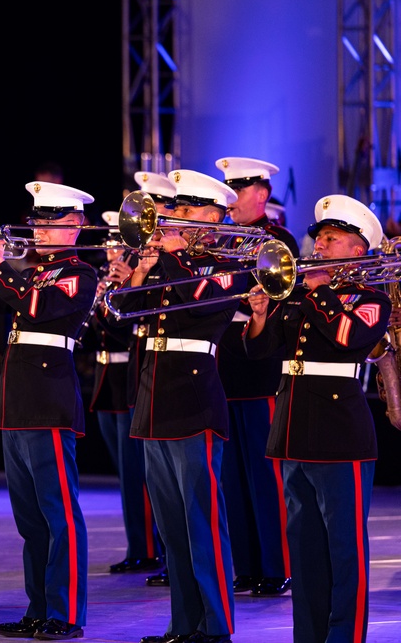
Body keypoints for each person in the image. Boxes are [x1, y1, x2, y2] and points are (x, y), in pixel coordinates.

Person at [245, 194, 389, 643]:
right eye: (320, 238)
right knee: (304, 550)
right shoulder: (300, 292)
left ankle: (346, 637)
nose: (320, 246)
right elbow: (261, 351)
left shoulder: (370, 298)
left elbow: (348, 338)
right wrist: (260, 314)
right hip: (293, 429)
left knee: (344, 549)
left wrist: (322, 291)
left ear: (358, 249)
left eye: (332, 238)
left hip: (339, 432)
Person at [0, 181, 97, 641]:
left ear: (76, 225)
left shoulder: (80, 272)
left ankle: (65, 613)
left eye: (50, 222)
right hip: (17, 400)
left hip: (49, 399)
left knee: (58, 513)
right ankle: (38, 607)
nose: (38, 230)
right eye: (37, 221)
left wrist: (0, 264)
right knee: (30, 518)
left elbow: (37, 307)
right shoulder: (28, 268)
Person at [112, 168, 243, 643]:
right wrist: (139, 272)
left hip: (194, 402)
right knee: (171, 526)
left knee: (202, 522)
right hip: (155, 402)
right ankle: (183, 623)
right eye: (176, 211)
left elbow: (204, 305)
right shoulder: (170, 263)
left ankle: (216, 624)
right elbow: (118, 315)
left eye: (185, 212)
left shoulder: (226, 263)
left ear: (213, 217)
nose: (173, 219)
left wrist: (173, 258)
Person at [214, 156, 297, 597]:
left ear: (261, 194)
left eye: (237, 192)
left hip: (261, 370)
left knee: (265, 477)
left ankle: (276, 565)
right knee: (233, 478)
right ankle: (246, 566)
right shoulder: (221, 241)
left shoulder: (278, 242)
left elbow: (279, 305)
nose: (229, 202)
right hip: (225, 371)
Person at [89, 183, 165, 577]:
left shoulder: (139, 279)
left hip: (129, 373)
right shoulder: (116, 281)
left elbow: (127, 330)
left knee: (140, 472)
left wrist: (118, 291)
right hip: (108, 378)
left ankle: (149, 547)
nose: (111, 253)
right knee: (125, 472)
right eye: (109, 246)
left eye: (117, 246)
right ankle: (139, 543)